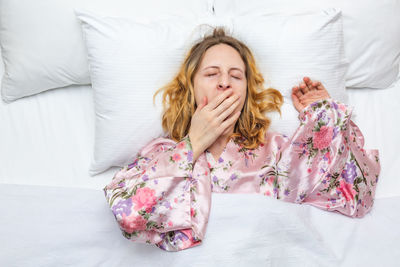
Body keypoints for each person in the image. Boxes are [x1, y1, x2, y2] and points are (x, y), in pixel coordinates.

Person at [102, 27, 380, 252]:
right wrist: (193, 144)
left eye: (236, 76)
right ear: (191, 87)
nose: (224, 82)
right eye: (211, 74)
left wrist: (323, 117)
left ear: (246, 91)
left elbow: (355, 195)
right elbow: (129, 214)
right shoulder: (160, 153)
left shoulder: (276, 150)